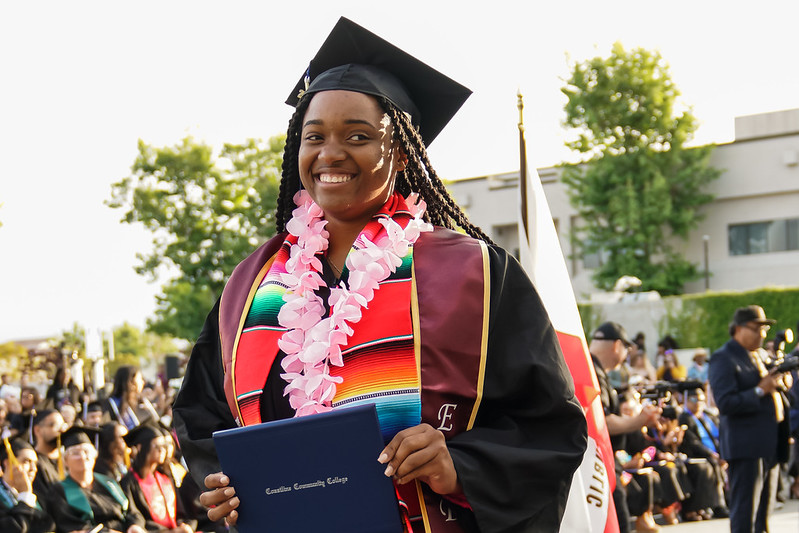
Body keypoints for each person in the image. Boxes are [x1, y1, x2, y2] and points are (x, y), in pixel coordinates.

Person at [173, 16, 587, 533]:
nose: (330, 153)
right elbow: (201, 418)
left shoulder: (473, 275)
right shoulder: (250, 285)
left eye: (358, 136)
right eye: (314, 135)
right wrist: (219, 482)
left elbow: (549, 427)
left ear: (401, 150)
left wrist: (461, 468)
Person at [708, 305, 792, 533]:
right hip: (746, 446)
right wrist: (759, 390)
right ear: (738, 329)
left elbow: (773, 389)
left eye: (764, 330)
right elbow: (725, 403)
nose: (762, 335)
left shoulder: (759, 355)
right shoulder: (723, 358)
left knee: (764, 513)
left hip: (768, 444)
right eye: (756, 329)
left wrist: (780, 384)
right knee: (745, 512)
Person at [589, 321, 661, 533]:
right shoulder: (593, 371)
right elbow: (601, 422)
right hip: (598, 460)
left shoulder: (592, 368)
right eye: (626, 349)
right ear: (617, 345)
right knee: (616, 520)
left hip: (602, 460)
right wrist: (639, 420)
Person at [49, 426, 146, 533]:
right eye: (75, 453)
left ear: (95, 455)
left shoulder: (108, 482)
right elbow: (72, 526)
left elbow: (132, 511)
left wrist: (135, 525)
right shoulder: (59, 490)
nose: (82, 456)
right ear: (65, 461)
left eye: (86, 451)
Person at [121, 425, 195, 532]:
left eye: (163, 446)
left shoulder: (166, 476)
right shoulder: (129, 481)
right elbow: (134, 516)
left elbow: (180, 512)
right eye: (156, 446)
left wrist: (183, 525)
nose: (162, 450)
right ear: (141, 447)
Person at [0, 437, 56, 533]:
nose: (33, 469)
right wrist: (25, 494)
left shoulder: (39, 497)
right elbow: (12, 529)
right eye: (26, 461)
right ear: (7, 463)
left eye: (35, 463)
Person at [30, 409, 66, 501]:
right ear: (37, 430)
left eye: (62, 425)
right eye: (54, 425)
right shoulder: (33, 464)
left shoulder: (68, 460)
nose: (61, 430)